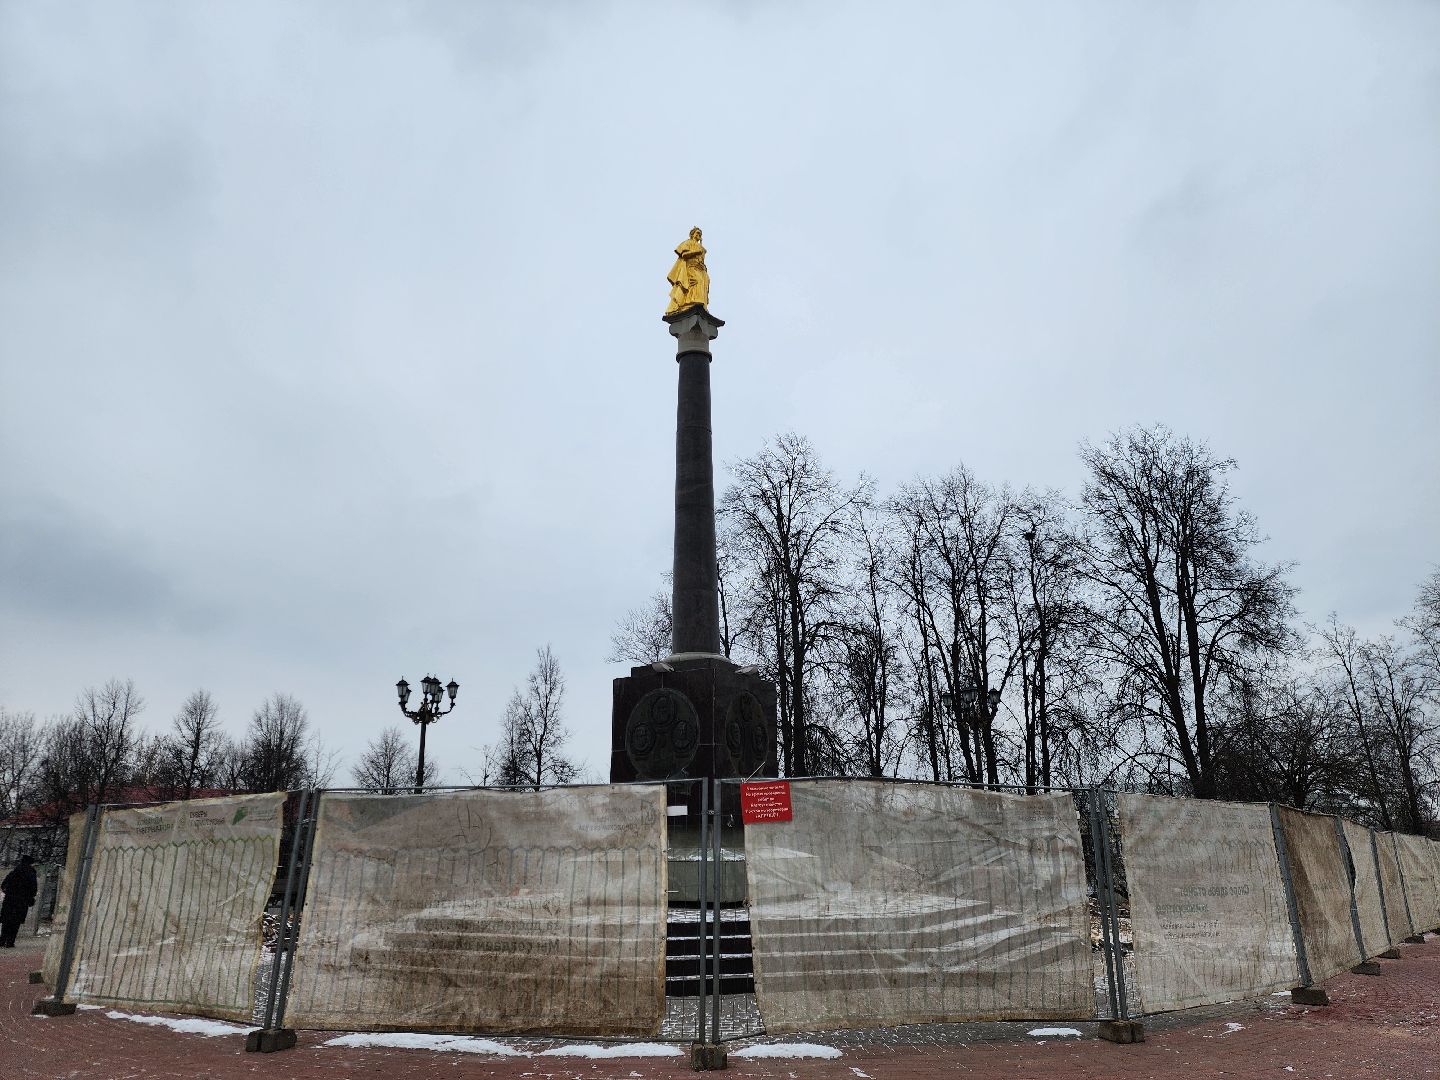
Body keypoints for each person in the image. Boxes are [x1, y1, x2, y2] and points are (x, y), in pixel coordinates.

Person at [665, 227, 710, 314]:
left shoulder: (701, 247)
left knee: (703, 283)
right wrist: (697, 252)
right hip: (691, 267)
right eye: (697, 233)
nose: (698, 235)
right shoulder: (688, 243)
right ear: (692, 234)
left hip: (700, 268)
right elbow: (684, 255)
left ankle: (700, 303)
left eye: (700, 234)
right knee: (696, 281)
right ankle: (689, 302)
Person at [0, 854, 38, 947]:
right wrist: (30, 897)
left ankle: (2, 940)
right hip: (22, 901)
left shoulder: (14, 871)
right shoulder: (31, 874)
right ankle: (10, 942)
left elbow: (4, 884)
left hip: (9, 900)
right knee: (16, 922)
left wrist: (8, 892)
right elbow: (33, 888)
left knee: (6, 921)